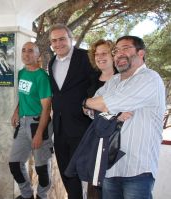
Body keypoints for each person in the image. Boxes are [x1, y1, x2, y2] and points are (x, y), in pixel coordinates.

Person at [84, 36, 165, 199]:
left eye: (125, 48)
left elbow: (103, 103)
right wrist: (109, 112)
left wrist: (88, 101)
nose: (119, 53)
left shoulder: (149, 78)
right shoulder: (113, 82)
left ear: (141, 53)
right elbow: (90, 111)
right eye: (116, 50)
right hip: (110, 167)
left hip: (137, 170)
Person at [47, 23, 97, 199]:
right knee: (66, 172)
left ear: (71, 39)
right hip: (60, 128)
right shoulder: (51, 62)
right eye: (54, 40)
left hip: (82, 126)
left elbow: (97, 83)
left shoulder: (86, 57)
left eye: (62, 39)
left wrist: (88, 104)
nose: (58, 43)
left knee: (90, 175)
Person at [9, 42, 53, 199]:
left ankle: (42, 196)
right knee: (14, 164)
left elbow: (46, 108)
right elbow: (24, 97)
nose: (26, 54)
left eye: (30, 51)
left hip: (38, 124)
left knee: (41, 168)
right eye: (23, 51)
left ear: (37, 55)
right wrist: (16, 111)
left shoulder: (41, 76)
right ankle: (27, 195)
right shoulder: (21, 73)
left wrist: (40, 133)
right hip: (23, 124)